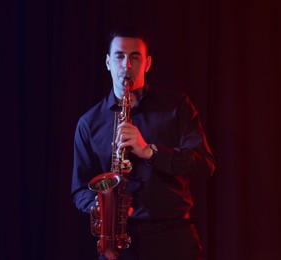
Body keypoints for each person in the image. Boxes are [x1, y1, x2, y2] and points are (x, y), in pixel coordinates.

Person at [71, 25, 215, 260]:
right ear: (108, 62)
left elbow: (204, 164)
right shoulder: (89, 123)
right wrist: (100, 208)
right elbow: (79, 189)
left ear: (147, 63)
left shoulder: (177, 107)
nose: (126, 65)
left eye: (134, 57)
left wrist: (149, 151)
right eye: (119, 56)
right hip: (118, 243)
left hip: (173, 239)